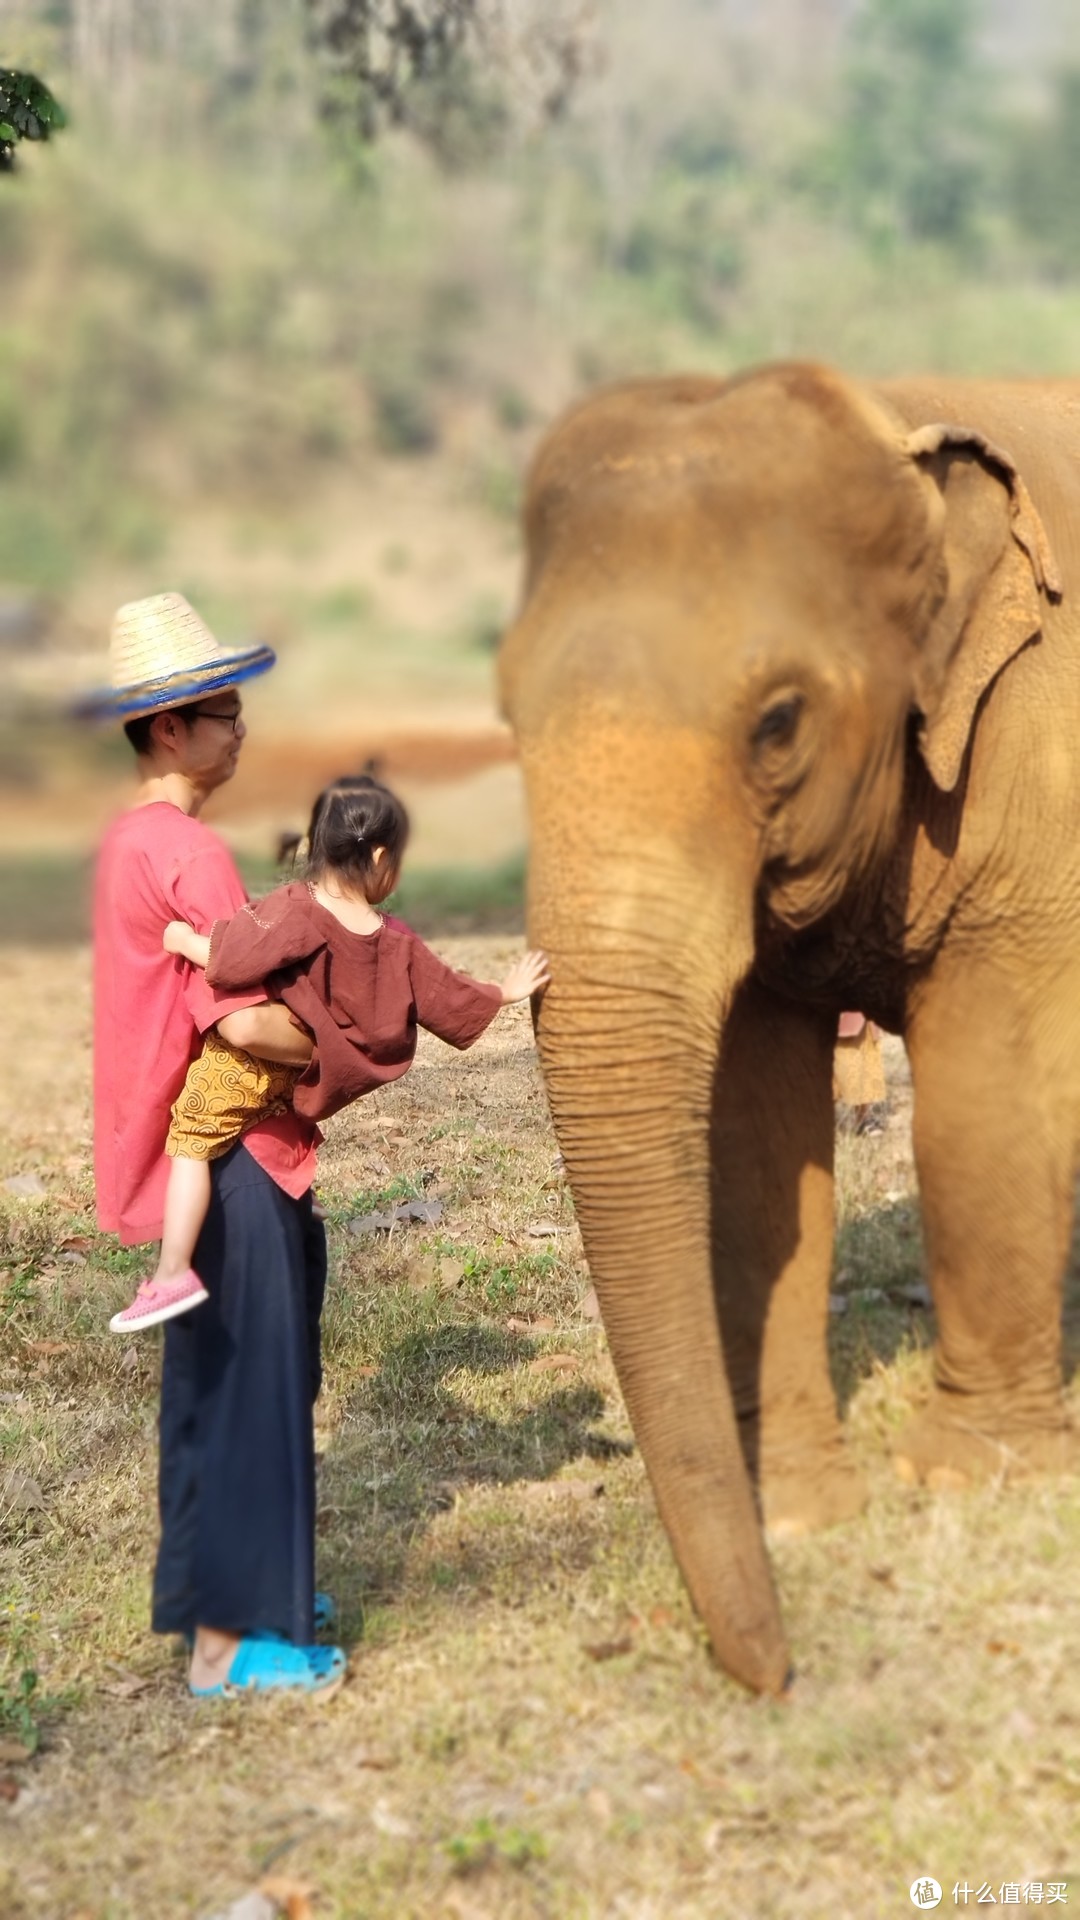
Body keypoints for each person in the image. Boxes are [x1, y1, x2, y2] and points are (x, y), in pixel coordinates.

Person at [85, 591, 344, 1698]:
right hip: (237, 1158)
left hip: (179, 1157)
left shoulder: (125, 845)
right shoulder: (190, 852)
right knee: (256, 1383)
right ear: (168, 729)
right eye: (222, 711)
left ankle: (209, 1603)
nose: (241, 728)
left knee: (206, 1385)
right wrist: (348, 1031)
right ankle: (233, 1646)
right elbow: (242, 1021)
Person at [110, 773, 550, 1332]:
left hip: (249, 1062)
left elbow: (231, 957)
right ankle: (293, 1197)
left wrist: (180, 941)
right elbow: (448, 996)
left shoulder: (295, 908)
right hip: (302, 1075)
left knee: (190, 1137)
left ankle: (172, 1273)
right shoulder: (396, 942)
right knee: (267, 1122)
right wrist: (503, 992)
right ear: (382, 857)